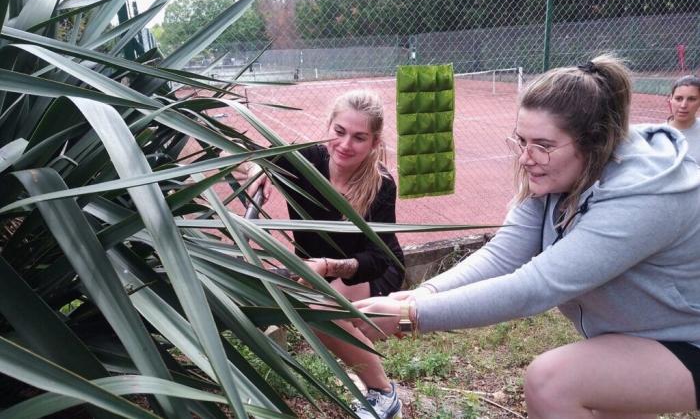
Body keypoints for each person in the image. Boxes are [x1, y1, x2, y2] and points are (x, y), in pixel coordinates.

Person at [354, 55, 700, 418]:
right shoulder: (563, 171)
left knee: (552, 383)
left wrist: (411, 317)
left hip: (686, 338)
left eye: (543, 145)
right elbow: (503, 255)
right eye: (521, 140)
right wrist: (424, 293)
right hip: (635, 335)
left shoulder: (645, 197)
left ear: (594, 143)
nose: (525, 157)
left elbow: (533, 287)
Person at [239, 90, 404, 419]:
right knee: (301, 299)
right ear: (328, 125)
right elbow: (253, 157)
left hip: (370, 270)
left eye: (359, 137)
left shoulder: (381, 184)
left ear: (374, 142)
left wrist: (328, 266)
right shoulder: (305, 159)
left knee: (317, 311)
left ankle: (384, 394)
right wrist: (258, 169)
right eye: (339, 132)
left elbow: (379, 258)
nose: (345, 145)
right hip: (313, 269)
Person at [667, 75, 700, 163]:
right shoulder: (658, 133)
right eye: (678, 99)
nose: (683, 105)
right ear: (671, 100)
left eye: (691, 99)